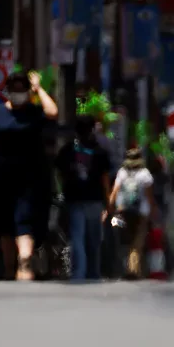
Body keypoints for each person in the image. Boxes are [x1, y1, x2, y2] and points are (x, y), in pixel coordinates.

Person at [0, 71, 58, 281]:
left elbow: (53, 112)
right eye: (14, 89)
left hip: (30, 179)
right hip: (2, 178)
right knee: (5, 225)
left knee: (23, 220)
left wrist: (38, 89)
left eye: (22, 89)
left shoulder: (34, 112)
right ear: (7, 91)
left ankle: (25, 263)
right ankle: (10, 269)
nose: (18, 93)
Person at [55, 115, 111, 281]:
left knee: (77, 237)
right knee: (93, 239)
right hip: (94, 200)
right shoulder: (100, 151)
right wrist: (108, 202)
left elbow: (59, 171)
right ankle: (93, 273)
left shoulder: (67, 150)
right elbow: (105, 178)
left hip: (74, 199)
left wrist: (63, 188)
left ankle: (78, 274)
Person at [109, 148, 159, 279]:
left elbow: (114, 192)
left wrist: (108, 208)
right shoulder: (145, 174)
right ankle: (132, 270)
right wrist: (153, 209)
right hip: (141, 213)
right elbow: (149, 196)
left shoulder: (122, 172)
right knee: (137, 242)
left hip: (122, 211)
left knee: (124, 240)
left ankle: (127, 269)